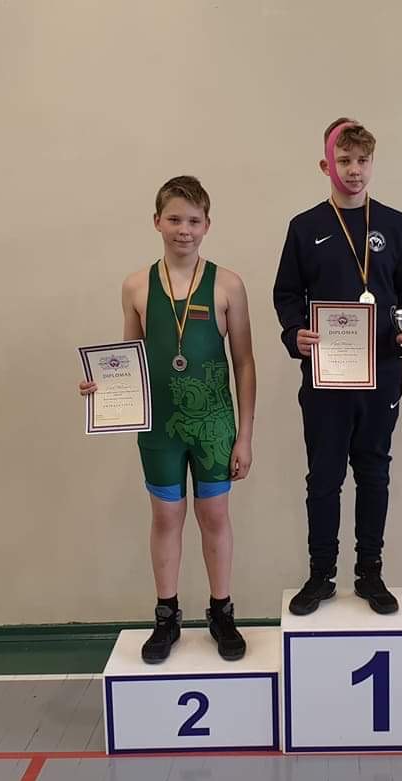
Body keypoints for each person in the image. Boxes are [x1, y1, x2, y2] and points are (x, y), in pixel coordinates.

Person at [79, 176, 256, 663]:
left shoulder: (228, 284)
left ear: (207, 225)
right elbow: (128, 360)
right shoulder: (136, 286)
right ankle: (166, 615)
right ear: (156, 221)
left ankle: (221, 612)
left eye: (194, 221)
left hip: (214, 425)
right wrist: (102, 388)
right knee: (165, 517)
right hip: (159, 427)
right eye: (174, 219)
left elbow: (244, 362)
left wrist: (244, 436)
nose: (184, 229)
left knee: (214, 516)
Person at [272, 117, 402, 616]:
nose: (354, 170)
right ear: (326, 166)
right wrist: (294, 333)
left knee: (374, 472)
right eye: (344, 161)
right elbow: (286, 294)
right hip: (325, 377)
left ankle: (370, 573)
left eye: (363, 160)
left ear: (372, 164)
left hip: (381, 373)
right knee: (323, 477)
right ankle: (321, 575)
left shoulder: (395, 224)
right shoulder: (305, 227)